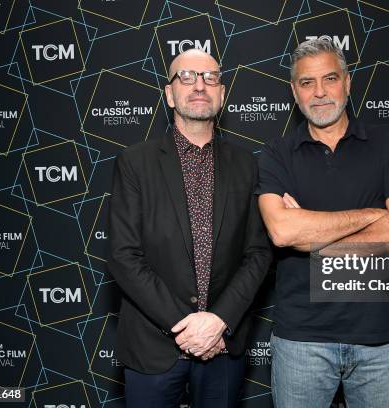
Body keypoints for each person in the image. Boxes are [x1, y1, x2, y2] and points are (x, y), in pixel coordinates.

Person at [256, 39, 389, 407]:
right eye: (306, 82)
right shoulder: (276, 154)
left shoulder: (388, 143)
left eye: (329, 79)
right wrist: (375, 216)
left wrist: (312, 233)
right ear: (293, 91)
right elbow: (284, 232)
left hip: (379, 338)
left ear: (347, 82)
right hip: (302, 341)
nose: (319, 93)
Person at [108, 48, 272, 408]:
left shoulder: (247, 165)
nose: (199, 85)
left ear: (223, 93)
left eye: (210, 77)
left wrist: (219, 321)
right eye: (187, 76)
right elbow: (123, 255)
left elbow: (258, 253)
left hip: (223, 347)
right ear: (170, 93)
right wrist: (188, 327)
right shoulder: (135, 162)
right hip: (153, 347)